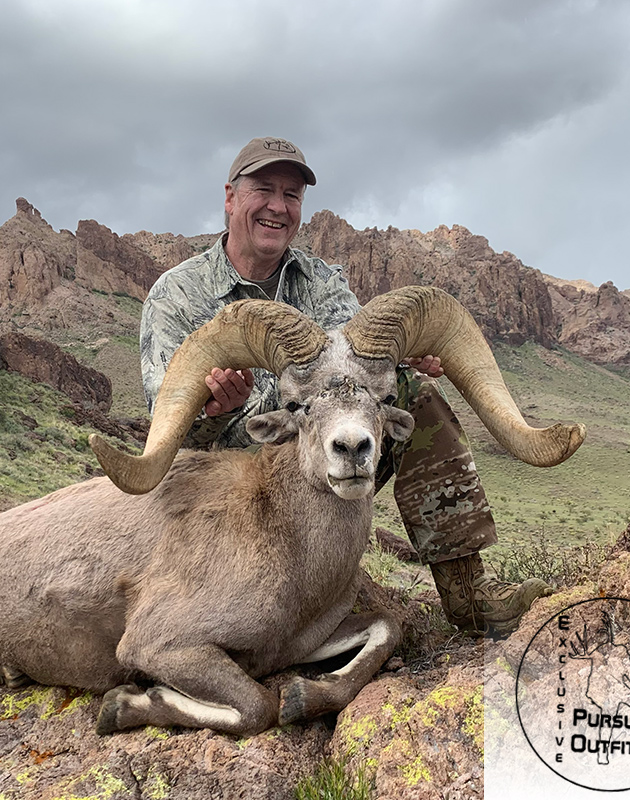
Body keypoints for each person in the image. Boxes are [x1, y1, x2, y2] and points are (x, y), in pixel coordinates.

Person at [139, 136, 549, 636]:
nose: (277, 206)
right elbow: (164, 436)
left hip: (321, 457)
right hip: (230, 481)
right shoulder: (178, 296)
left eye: (291, 195)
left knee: (415, 395)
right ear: (230, 197)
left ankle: (469, 594)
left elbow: (355, 382)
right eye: (263, 189)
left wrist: (395, 365)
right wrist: (218, 412)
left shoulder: (321, 283)